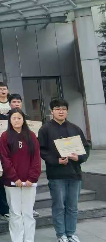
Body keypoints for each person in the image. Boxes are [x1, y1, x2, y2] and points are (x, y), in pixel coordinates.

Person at [39, 99, 91, 242]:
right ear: (52, 111)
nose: (60, 111)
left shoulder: (75, 129)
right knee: (59, 206)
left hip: (74, 173)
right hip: (56, 175)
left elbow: (85, 148)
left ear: (67, 111)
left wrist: (78, 157)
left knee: (72, 206)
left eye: (63, 109)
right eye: (57, 109)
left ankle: (71, 233)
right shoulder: (45, 129)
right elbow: (42, 151)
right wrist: (56, 161)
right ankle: (61, 234)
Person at [0, 109, 42, 242]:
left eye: (19, 118)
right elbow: (5, 159)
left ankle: (29, 239)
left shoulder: (31, 136)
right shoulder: (5, 136)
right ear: (9, 120)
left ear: (23, 120)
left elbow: (36, 158)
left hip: (29, 182)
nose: (16, 121)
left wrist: (32, 178)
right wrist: (14, 177)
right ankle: (17, 239)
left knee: (28, 213)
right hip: (12, 183)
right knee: (15, 213)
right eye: (14, 118)